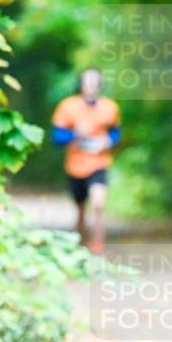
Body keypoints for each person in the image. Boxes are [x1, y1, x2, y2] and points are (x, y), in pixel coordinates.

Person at [51, 68, 121, 255]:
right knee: (81, 208)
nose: (92, 87)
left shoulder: (110, 107)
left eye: (96, 82)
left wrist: (107, 141)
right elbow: (57, 137)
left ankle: (98, 244)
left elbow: (116, 132)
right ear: (81, 85)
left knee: (98, 204)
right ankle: (79, 244)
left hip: (99, 162)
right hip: (75, 165)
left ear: (100, 85)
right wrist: (75, 134)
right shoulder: (67, 107)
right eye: (88, 82)